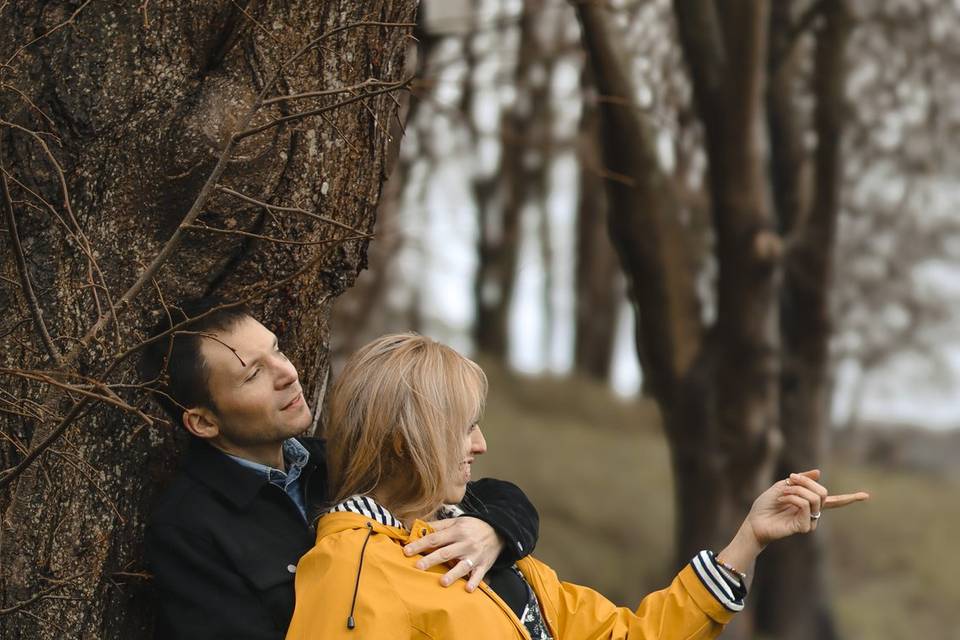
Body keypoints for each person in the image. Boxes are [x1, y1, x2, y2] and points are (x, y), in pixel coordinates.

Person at [286, 333, 870, 639]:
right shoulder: (351, 570)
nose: (481, 444)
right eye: (463, 427)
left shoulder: (488, 550)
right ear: (402, 441)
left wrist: (749, 538)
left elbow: (628, 635)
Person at [140, 300, 541, 639]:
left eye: (277, 351)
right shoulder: (190, 528)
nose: (289, 373)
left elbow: (481, 490)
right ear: (204, 422)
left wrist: (494, 533)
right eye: (254, 374)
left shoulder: (331, 460)